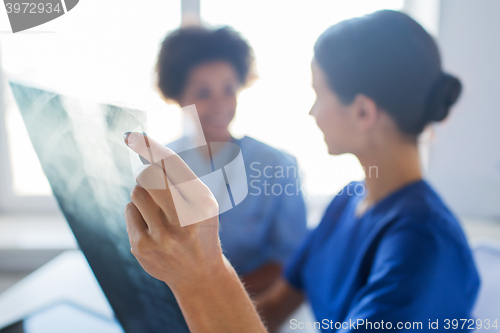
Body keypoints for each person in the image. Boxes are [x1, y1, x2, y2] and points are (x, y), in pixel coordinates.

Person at [123, 10, 480, 333]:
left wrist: (202, 273)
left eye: (318, 94)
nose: (312, 112)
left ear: (362, 112)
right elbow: (274, 307)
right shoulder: (347, 202)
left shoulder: (423, 248)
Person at [154, 25, 307, 295]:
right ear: (179, 97)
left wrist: (219, 295)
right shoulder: (159, 167)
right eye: (203, 93)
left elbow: (289, 258)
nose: (220, 104)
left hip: (253, 308)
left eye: (228, 89)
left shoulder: (277, 165)